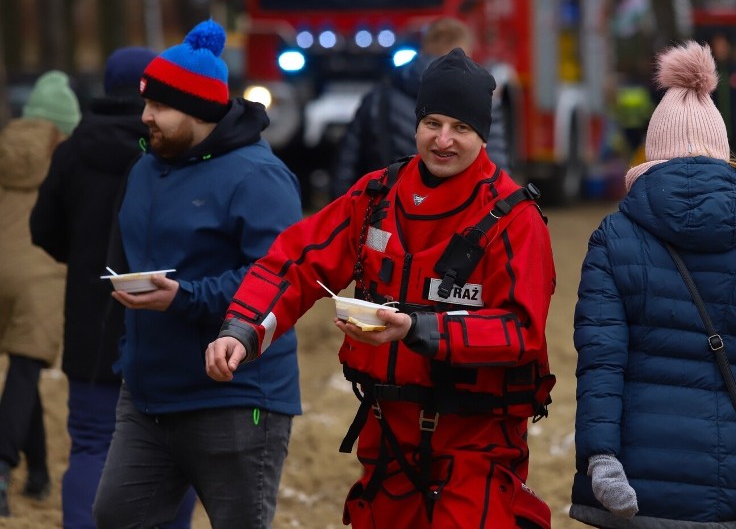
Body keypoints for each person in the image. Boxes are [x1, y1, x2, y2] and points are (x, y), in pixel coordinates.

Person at [206, 48, 556, 528]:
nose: (444, 140)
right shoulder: (376, 196)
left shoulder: (515, 220)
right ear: (415, 124)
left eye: (461, 128)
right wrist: (241, 329)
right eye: (432, 122)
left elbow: (521, 332)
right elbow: (294, 262)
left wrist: (420, 329)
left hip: (475, 445)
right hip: (387, 438)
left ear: (483, 134)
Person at [569, 41, 736, 528]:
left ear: (653, 151)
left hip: (630, 482)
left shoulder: (614, 237)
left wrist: (601, 458)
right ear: (723, 151)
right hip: (726, 481)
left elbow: (600, 360)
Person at [90, 20, 303, 529]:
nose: (145, 118)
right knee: (116, 518)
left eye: (159, 107)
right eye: (146, 104)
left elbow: (281, 278)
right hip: (146, 395)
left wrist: (185, 296)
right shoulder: (146, 167)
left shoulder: (259, 176)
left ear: (200, 110)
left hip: (234, 396)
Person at [30, 47, 196, 529]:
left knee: (90, 443)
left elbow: (43, 228)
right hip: (166, 318)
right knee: (172, 453)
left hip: (91, 321)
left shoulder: (76, 147)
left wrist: (85, 260)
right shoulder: (176, 146)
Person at [0, 70, 80, 516]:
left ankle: (38, 474)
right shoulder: (66, 154)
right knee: (27, 366)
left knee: (20, 363)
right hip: (42, 271)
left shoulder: (6, 145)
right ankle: (3, 463)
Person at [330, 16, 511, 198]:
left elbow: (347, 163)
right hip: (456, 212)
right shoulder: (479, 99)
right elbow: (495, 167)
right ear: (467, 51)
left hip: (385, 210)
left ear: (424, 47)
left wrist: (347, 210)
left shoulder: (379, 96)